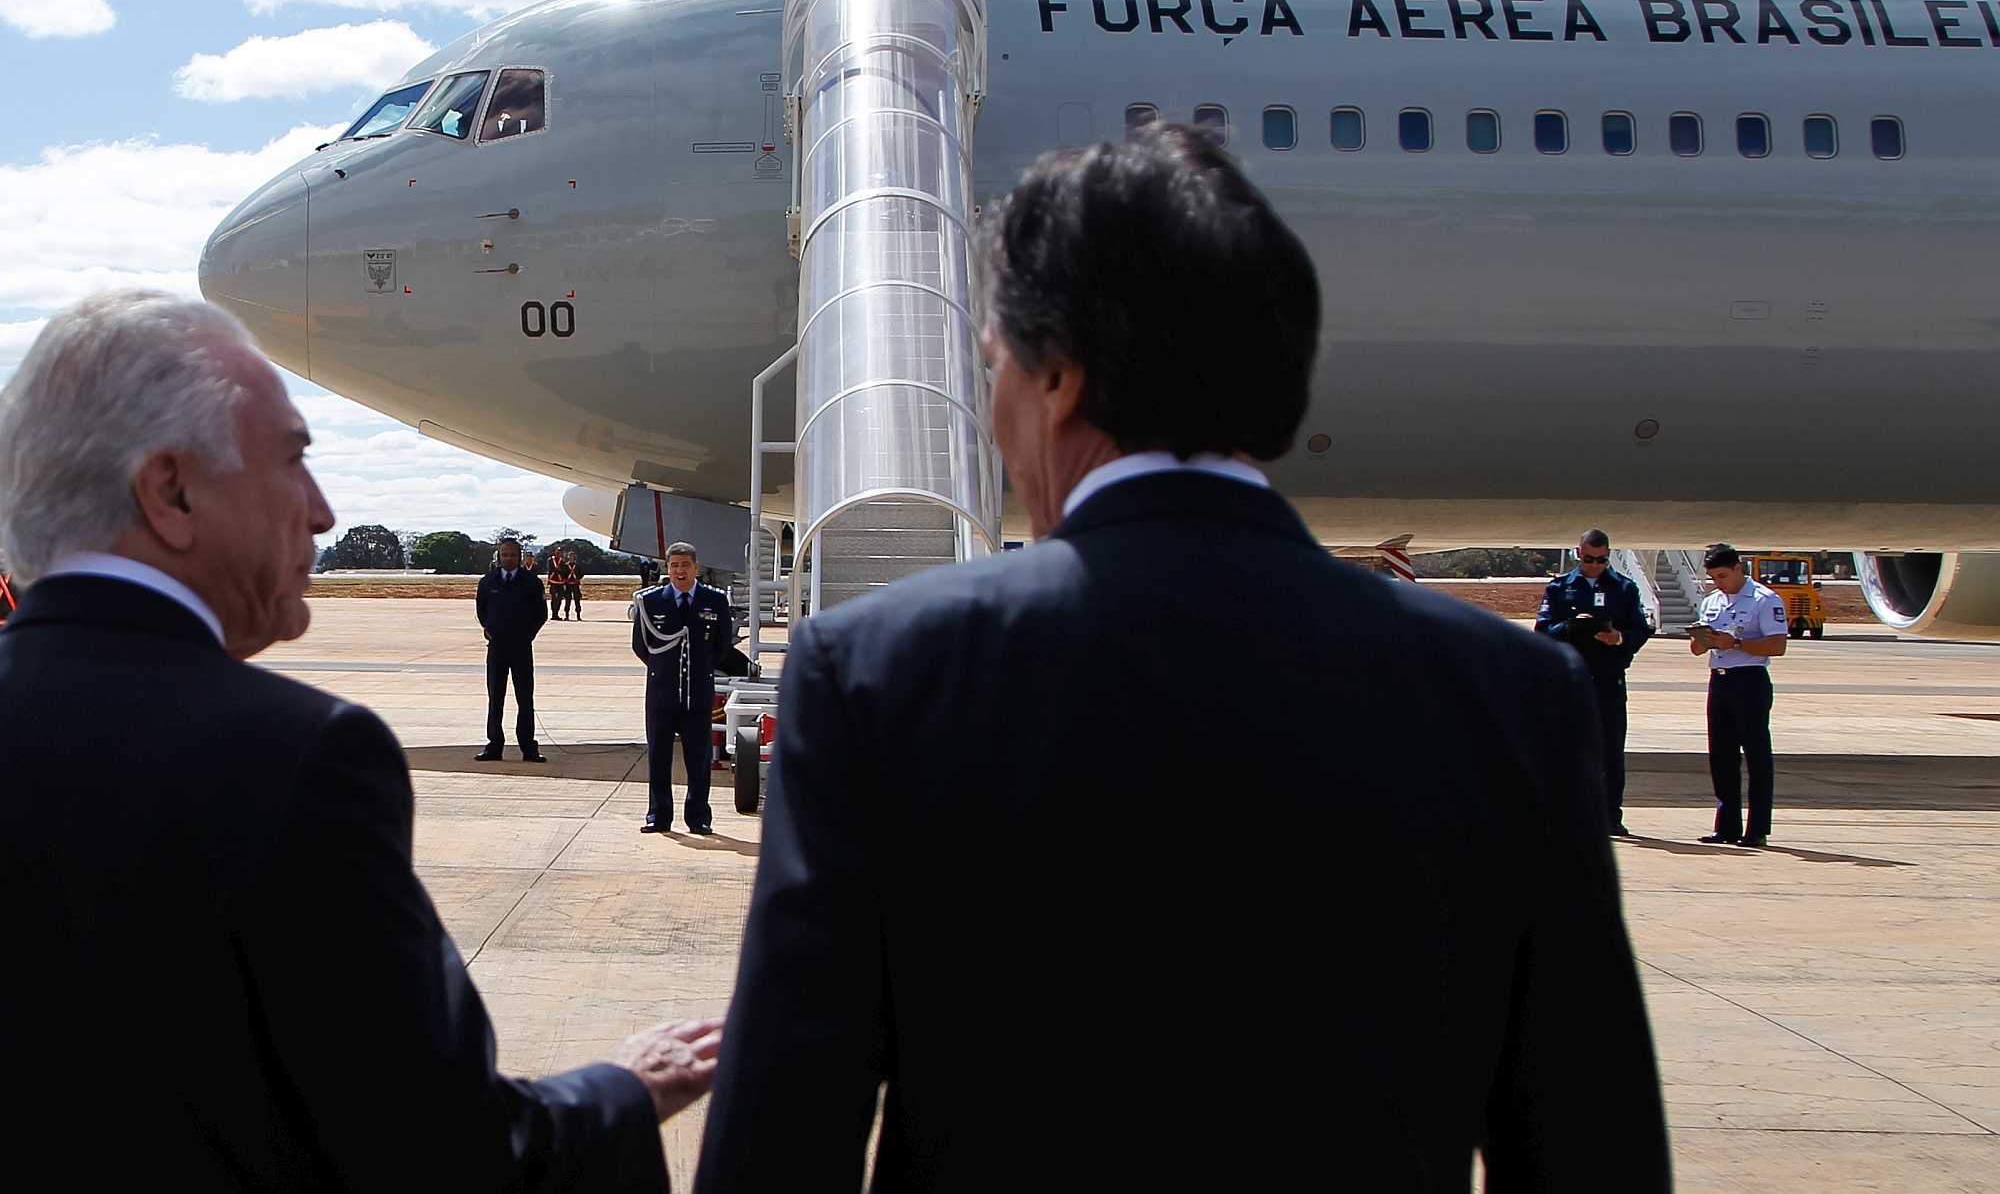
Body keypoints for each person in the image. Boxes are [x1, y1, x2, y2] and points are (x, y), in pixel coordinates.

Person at [696, 126, 1670, 1191]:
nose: (993, 406)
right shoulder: (1511, 692)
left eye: (994, 365)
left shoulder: (879, 669)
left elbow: (785, 1132)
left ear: (1056, 373)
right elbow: (1590, 1140)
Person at [0, 290, 720, 1190]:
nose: (323, 513)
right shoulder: (296, 757)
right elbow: (444, 1151)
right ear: (171, 491)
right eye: (295, 461)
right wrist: (622, 1092)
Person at [1536, 528, 1654, 836]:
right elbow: (1543, 630)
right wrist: (1571, 628)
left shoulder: (1624, 589)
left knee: (1611, 750)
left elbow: (1640, 630)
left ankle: (1610, 815)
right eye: (1589, 559)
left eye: (1601, 560)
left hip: (1607, 678)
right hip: (1570, 679)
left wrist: (1618, 638)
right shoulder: (1561, 587)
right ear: (1579, 553)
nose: (1594, 566)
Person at [631, 541, 747, 835]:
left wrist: (701, 667)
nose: (679, 571)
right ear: (667, 569)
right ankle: (658, 815)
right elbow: (642, 646)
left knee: (699, 758)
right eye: (674, 565)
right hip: (662, 692)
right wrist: (665, 670)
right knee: (659, 756)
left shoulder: (715, 600)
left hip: (698, 692)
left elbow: (722, 646)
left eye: (685, 565)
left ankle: (699, 817)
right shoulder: (651, 601)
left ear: (695, 568)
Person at [1691, 542, 1789, 847]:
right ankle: (1727, 824)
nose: (1719, 583)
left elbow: (1777, 645)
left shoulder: (1763, 599)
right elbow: (1697, 648)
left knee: (1756, 755)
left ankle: (1757, 828)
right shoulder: (1712, 602)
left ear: (1738, 568)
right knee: (1721, 755)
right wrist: (1701, 640)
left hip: (1749, 679)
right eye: (1713, 578)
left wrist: (1734, 644)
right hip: (1719, 679)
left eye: (1722, 576)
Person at [476, 538, 546, 761]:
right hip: (496, 647)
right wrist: (488, 628)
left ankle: (528, 747)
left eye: (513, 555)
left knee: (525, 699)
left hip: (521, 648)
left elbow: (540, 613)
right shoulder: (488, 582)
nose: (508, 559)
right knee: (495, 698)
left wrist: (529, 633)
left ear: (520, 556)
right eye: (504, 554)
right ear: (499, 556)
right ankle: (494, 745)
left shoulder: (531, 582)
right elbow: (481, 610)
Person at [546, 550, 571, 620]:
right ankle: (554, 614)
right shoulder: (550, 560)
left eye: (560, 552)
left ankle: (556, 613)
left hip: (560, 582)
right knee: (553, 598)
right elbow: (550, 569)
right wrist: (559, 571)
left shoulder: (563, 561)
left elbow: (565, 571)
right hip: (553, 581)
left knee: (559, 598)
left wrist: (560, 572)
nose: (558, 554)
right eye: (557, 552)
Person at [567, 552, 587, 620]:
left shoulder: (577, 566)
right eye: (570, 556)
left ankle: (578, 615)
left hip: (575, 584)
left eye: (572, 556)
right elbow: (563, 574)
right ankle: (567, 615)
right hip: (568, 585)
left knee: (577, 600)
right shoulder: (566, 565)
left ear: (574, 557)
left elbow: (582, 573)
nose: (571, 558)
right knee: (568, 600)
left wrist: (578, 579)